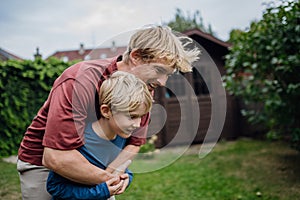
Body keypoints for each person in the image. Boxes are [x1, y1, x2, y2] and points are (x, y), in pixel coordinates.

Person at [17, 25, 201, 200]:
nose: (162, 82)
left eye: (168, 74)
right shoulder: (80, 80)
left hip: (98, 167)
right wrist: (109, 180)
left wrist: (115, 175)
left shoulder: (145, 88)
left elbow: (134, 142)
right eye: (159, 70)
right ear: (136, 57)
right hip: (43, 165)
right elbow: (56, 158)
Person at [46, 71, 153, 199]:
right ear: (106, 111)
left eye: (141, 117)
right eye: (132, 116)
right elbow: (55, 187)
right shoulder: (81, 140)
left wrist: (126, 178)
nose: (137, 124)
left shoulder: (121, 135)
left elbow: (119, 167)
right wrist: (101, 191)